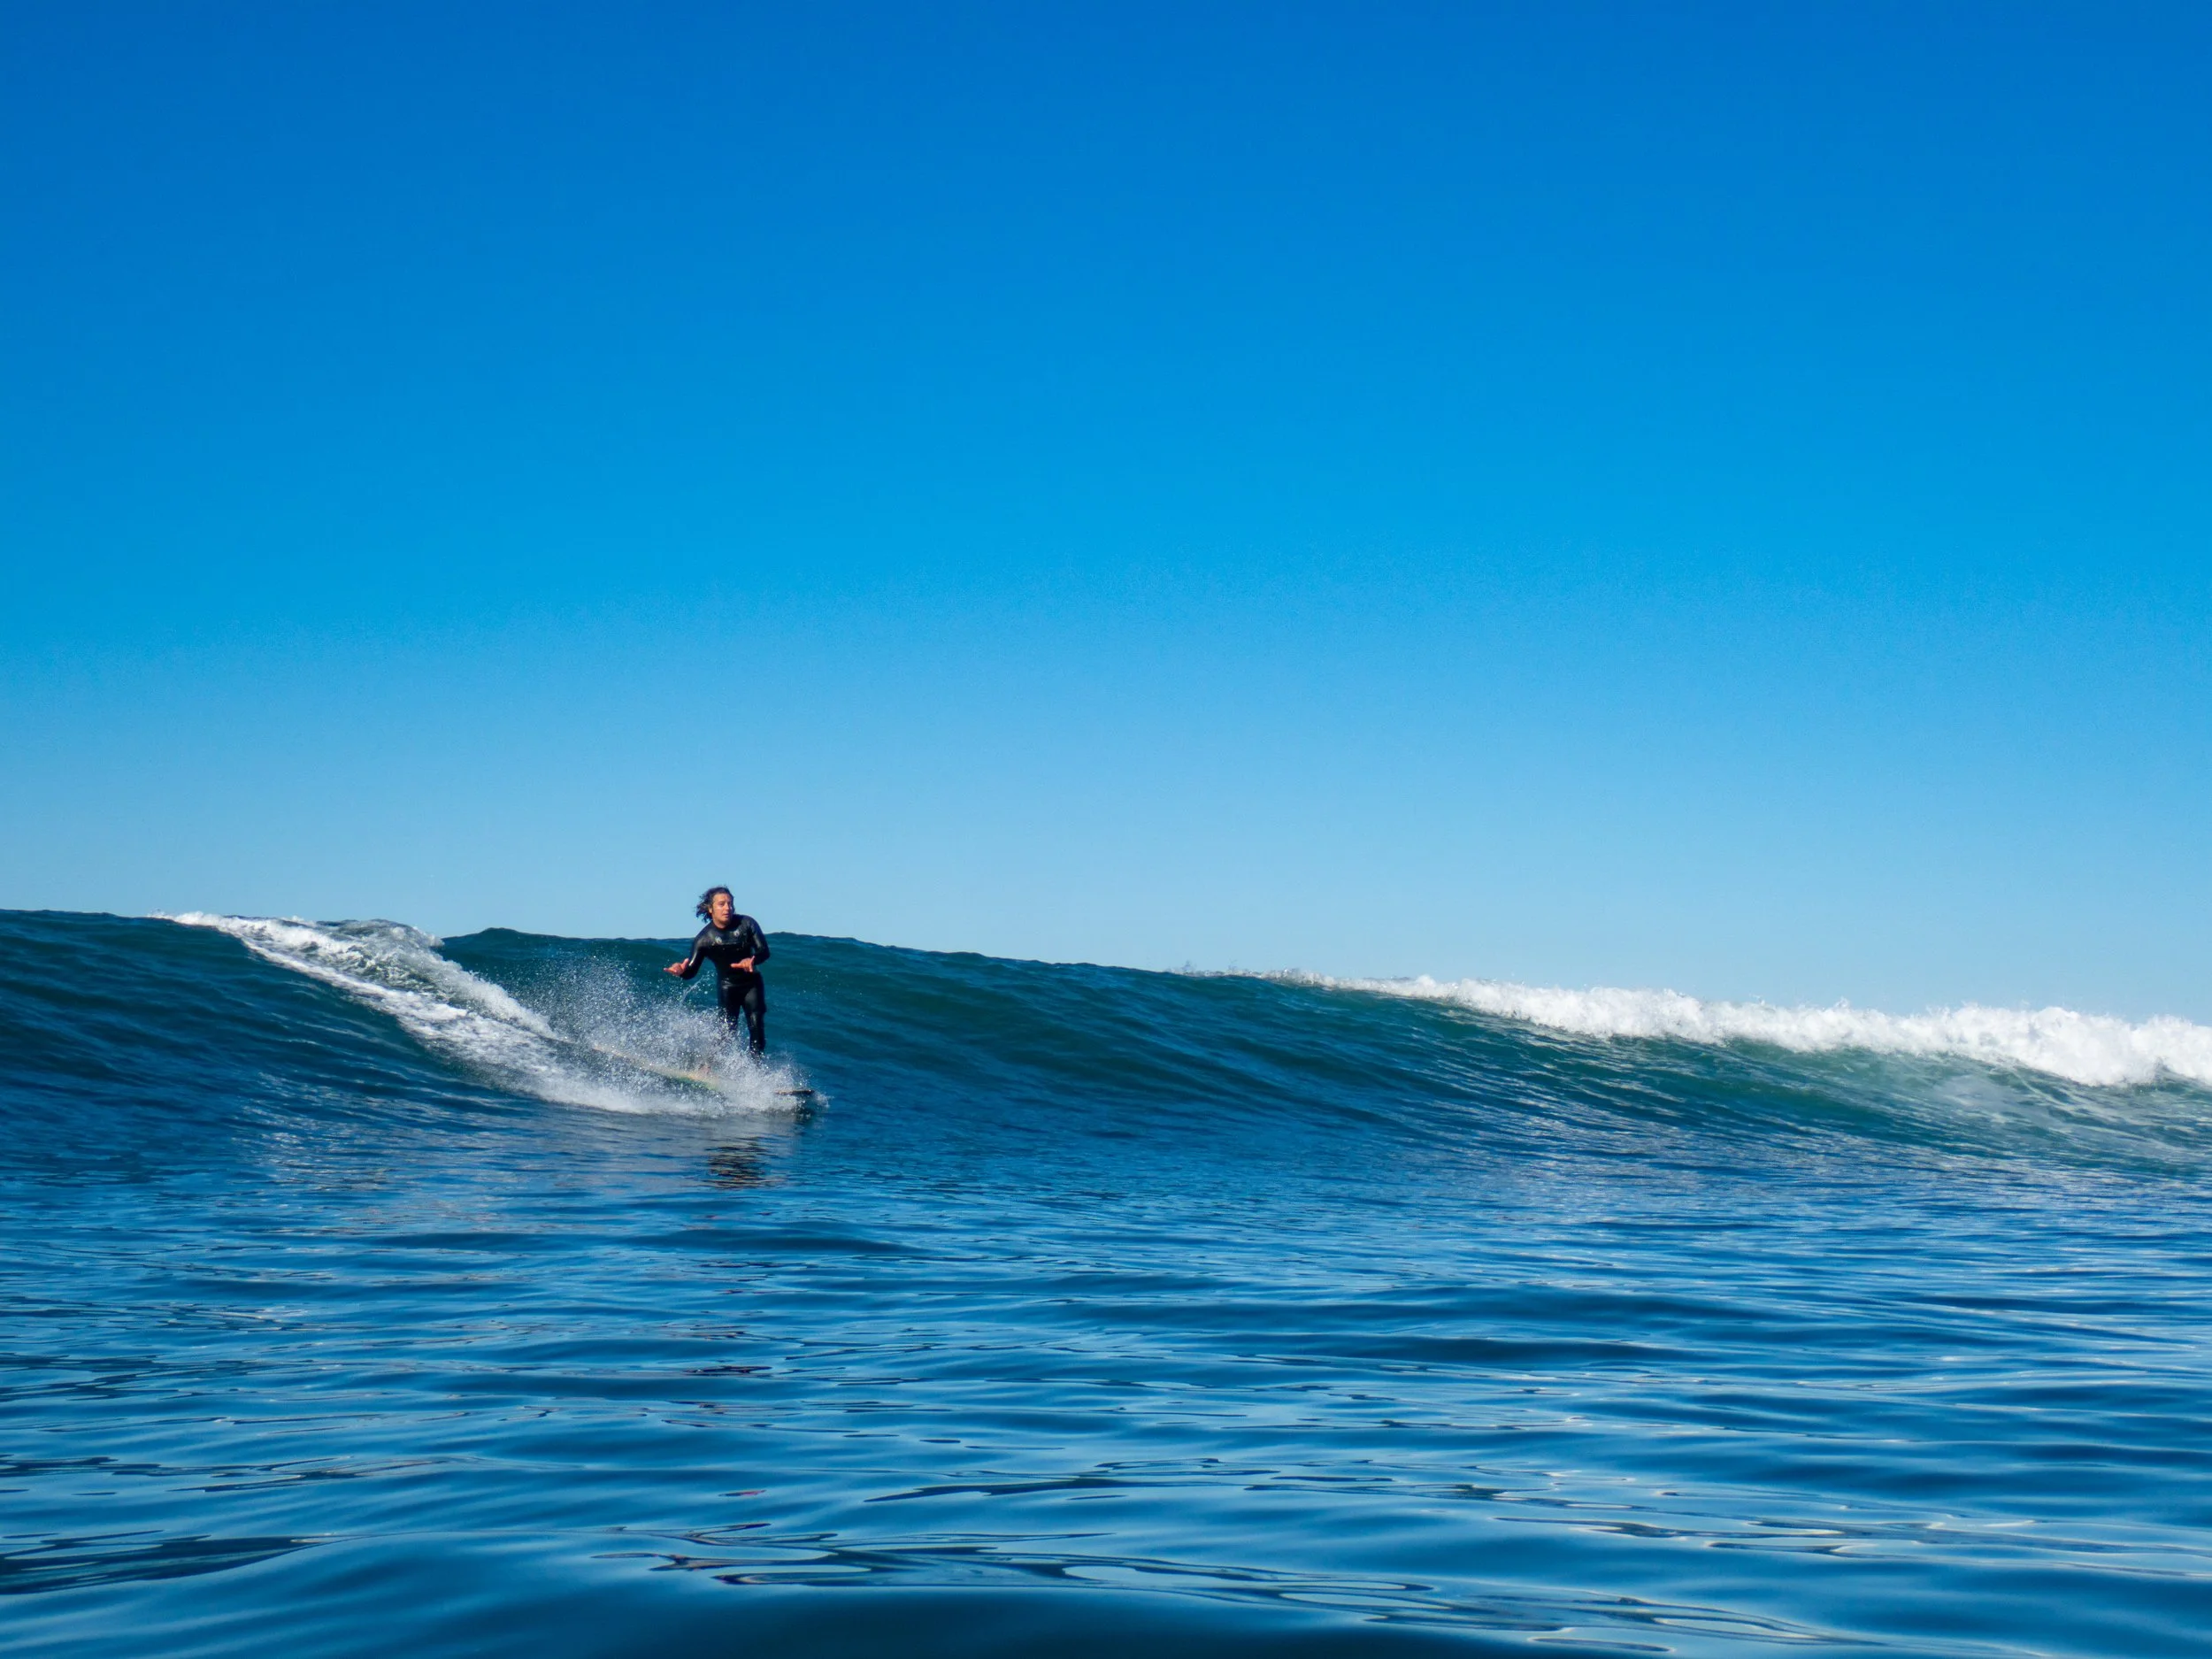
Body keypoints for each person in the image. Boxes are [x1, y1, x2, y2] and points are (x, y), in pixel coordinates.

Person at [666, 887, 771, 1054]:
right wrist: (681, 971)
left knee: (756, 1027)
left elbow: (764, 951)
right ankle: (708, 1067)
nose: (727, 908)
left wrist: (752, 959)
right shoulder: (704, 939)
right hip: (727, 987)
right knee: (726, 1033)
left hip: (751, 985)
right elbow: (691, 971)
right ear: (710, 909)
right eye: (721, 904)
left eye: (730, 903)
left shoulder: (747, 924)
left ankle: (755, 1074)